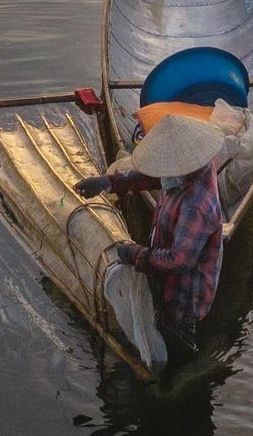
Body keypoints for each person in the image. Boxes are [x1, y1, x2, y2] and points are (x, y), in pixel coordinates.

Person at [74, 114, 225, 360]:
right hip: (167, 280)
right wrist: (109, 182)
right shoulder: (188, 167)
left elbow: (179, 261)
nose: (163, 171)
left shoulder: (195, 204)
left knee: (176, 353)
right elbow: (152, 176)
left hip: (184, 298)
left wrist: (134, 254)